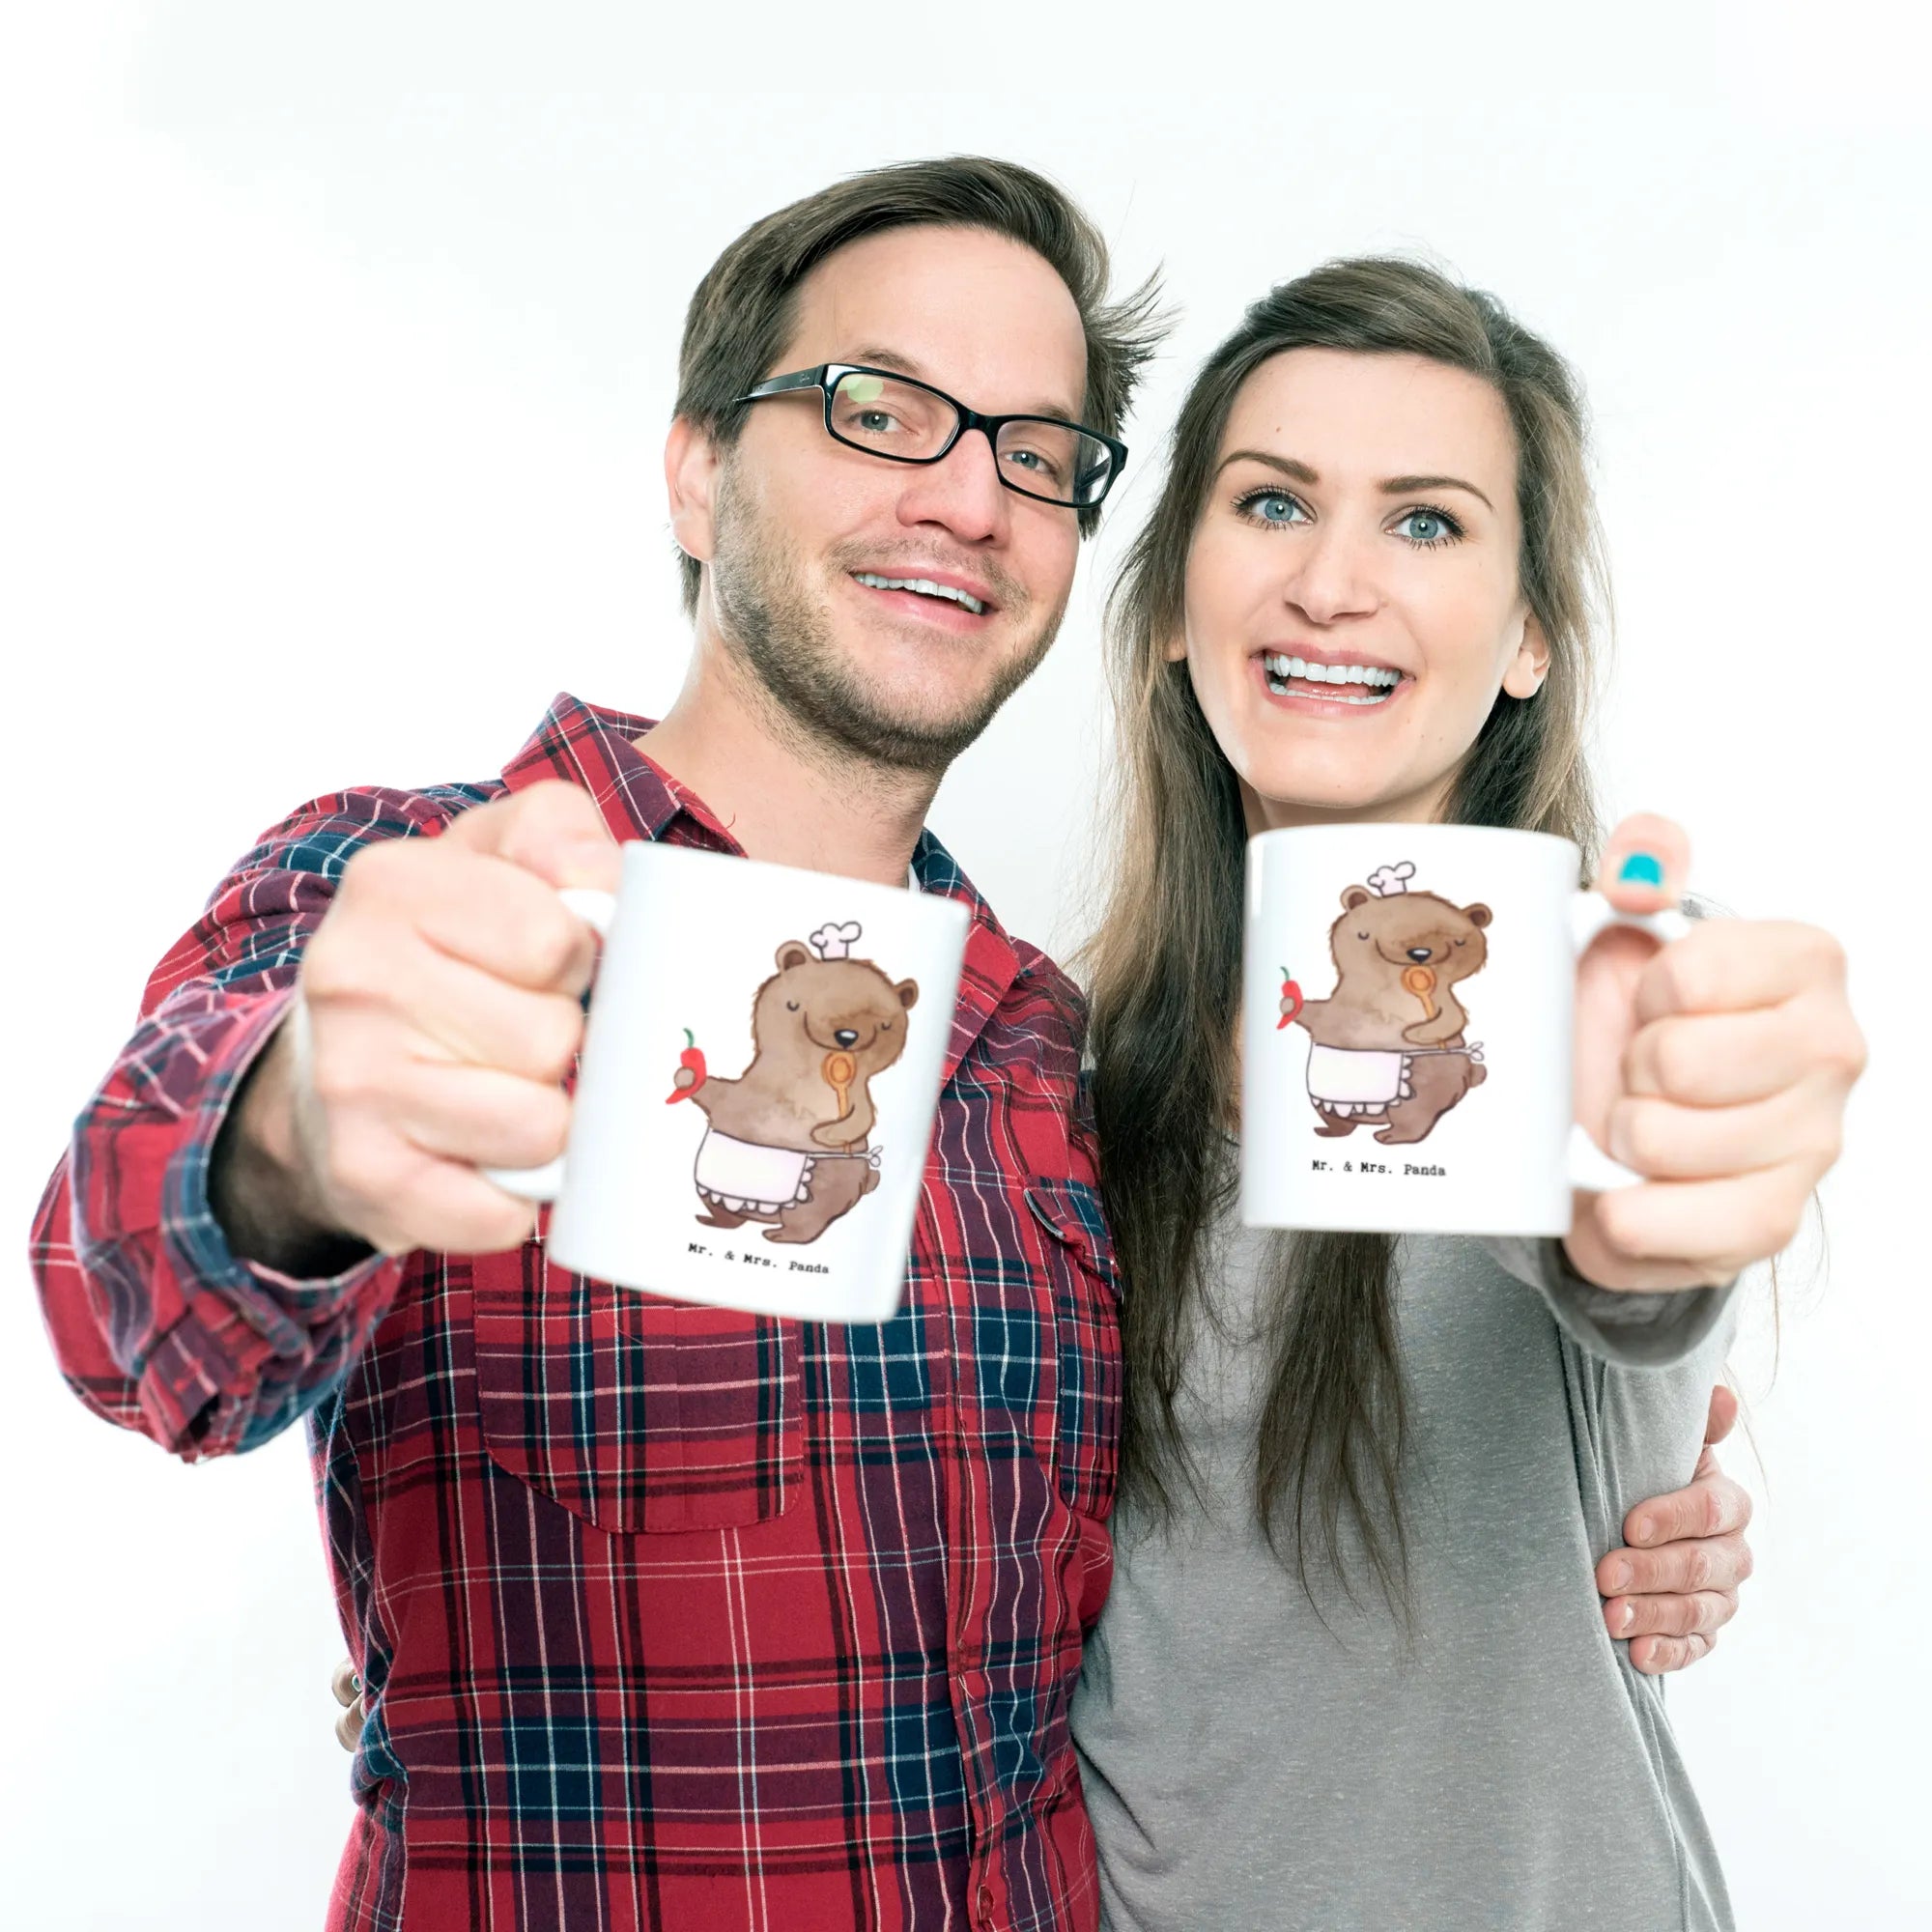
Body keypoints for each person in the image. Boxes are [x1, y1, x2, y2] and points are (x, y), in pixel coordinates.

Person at [35, 157, 1757, 1932]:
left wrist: (1647, 1438)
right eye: (880, 409)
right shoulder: (418, 894)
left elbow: (1500, 1347)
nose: (966, 496)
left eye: (1035, 451)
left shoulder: (1045, 1055)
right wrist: (296, 1139)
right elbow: (122, 1292)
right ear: (699, 468)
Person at [1071, 258, 1865, 1930]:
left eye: (1426, 522)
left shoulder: (1598, 1002)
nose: (1331, 583)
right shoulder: (1062, 1078)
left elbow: (1628, 1255)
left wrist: (1663, 1186)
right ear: (1170, 606)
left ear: (1527, 639)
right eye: (1272, 503)